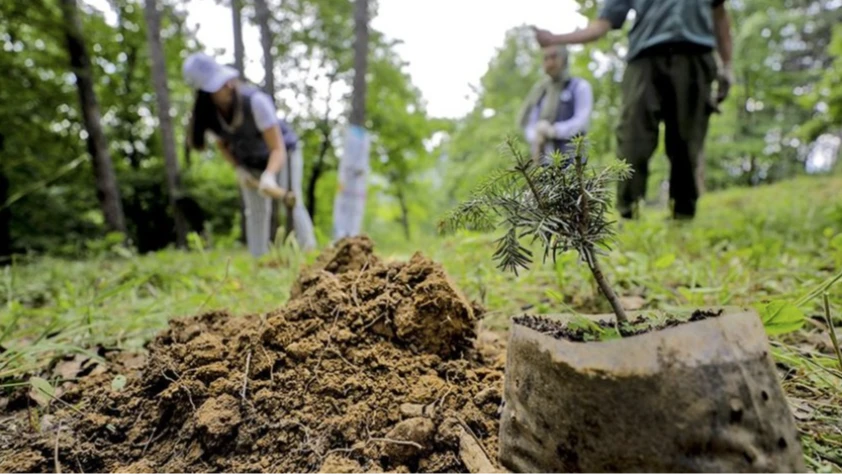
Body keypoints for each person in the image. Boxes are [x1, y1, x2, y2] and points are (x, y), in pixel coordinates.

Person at [533, 0, 734, 220]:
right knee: (632, 139)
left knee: (687, 142)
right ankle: (629, 215)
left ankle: (683, 217)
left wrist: (727, 65)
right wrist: (556, 39)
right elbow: (601, 25)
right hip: (644, 60)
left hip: (696, 55)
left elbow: (720, 15)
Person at [182, 52, 316, 256]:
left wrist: (269, 176)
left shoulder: (256, 102)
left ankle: (310, 251)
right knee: (256, 211)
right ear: (205, 92)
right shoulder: (209, 116)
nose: (227, 85)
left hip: (283, 154)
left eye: (224, 79)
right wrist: (239, 169)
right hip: (249, 161)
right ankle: (258, 259)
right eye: (218, 84)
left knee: (293, 203)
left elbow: (277, 148)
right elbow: (224, 146)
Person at [518, 44, 593, 167]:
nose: (549, 62)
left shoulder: (579, 86)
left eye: (553, 57)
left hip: (573, 163)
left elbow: (582, 122)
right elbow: (529, 124)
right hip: (544, 163)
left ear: (564, 59)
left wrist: (553, 131)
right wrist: (537, 134)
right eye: (546, 58)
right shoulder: (540, 92)